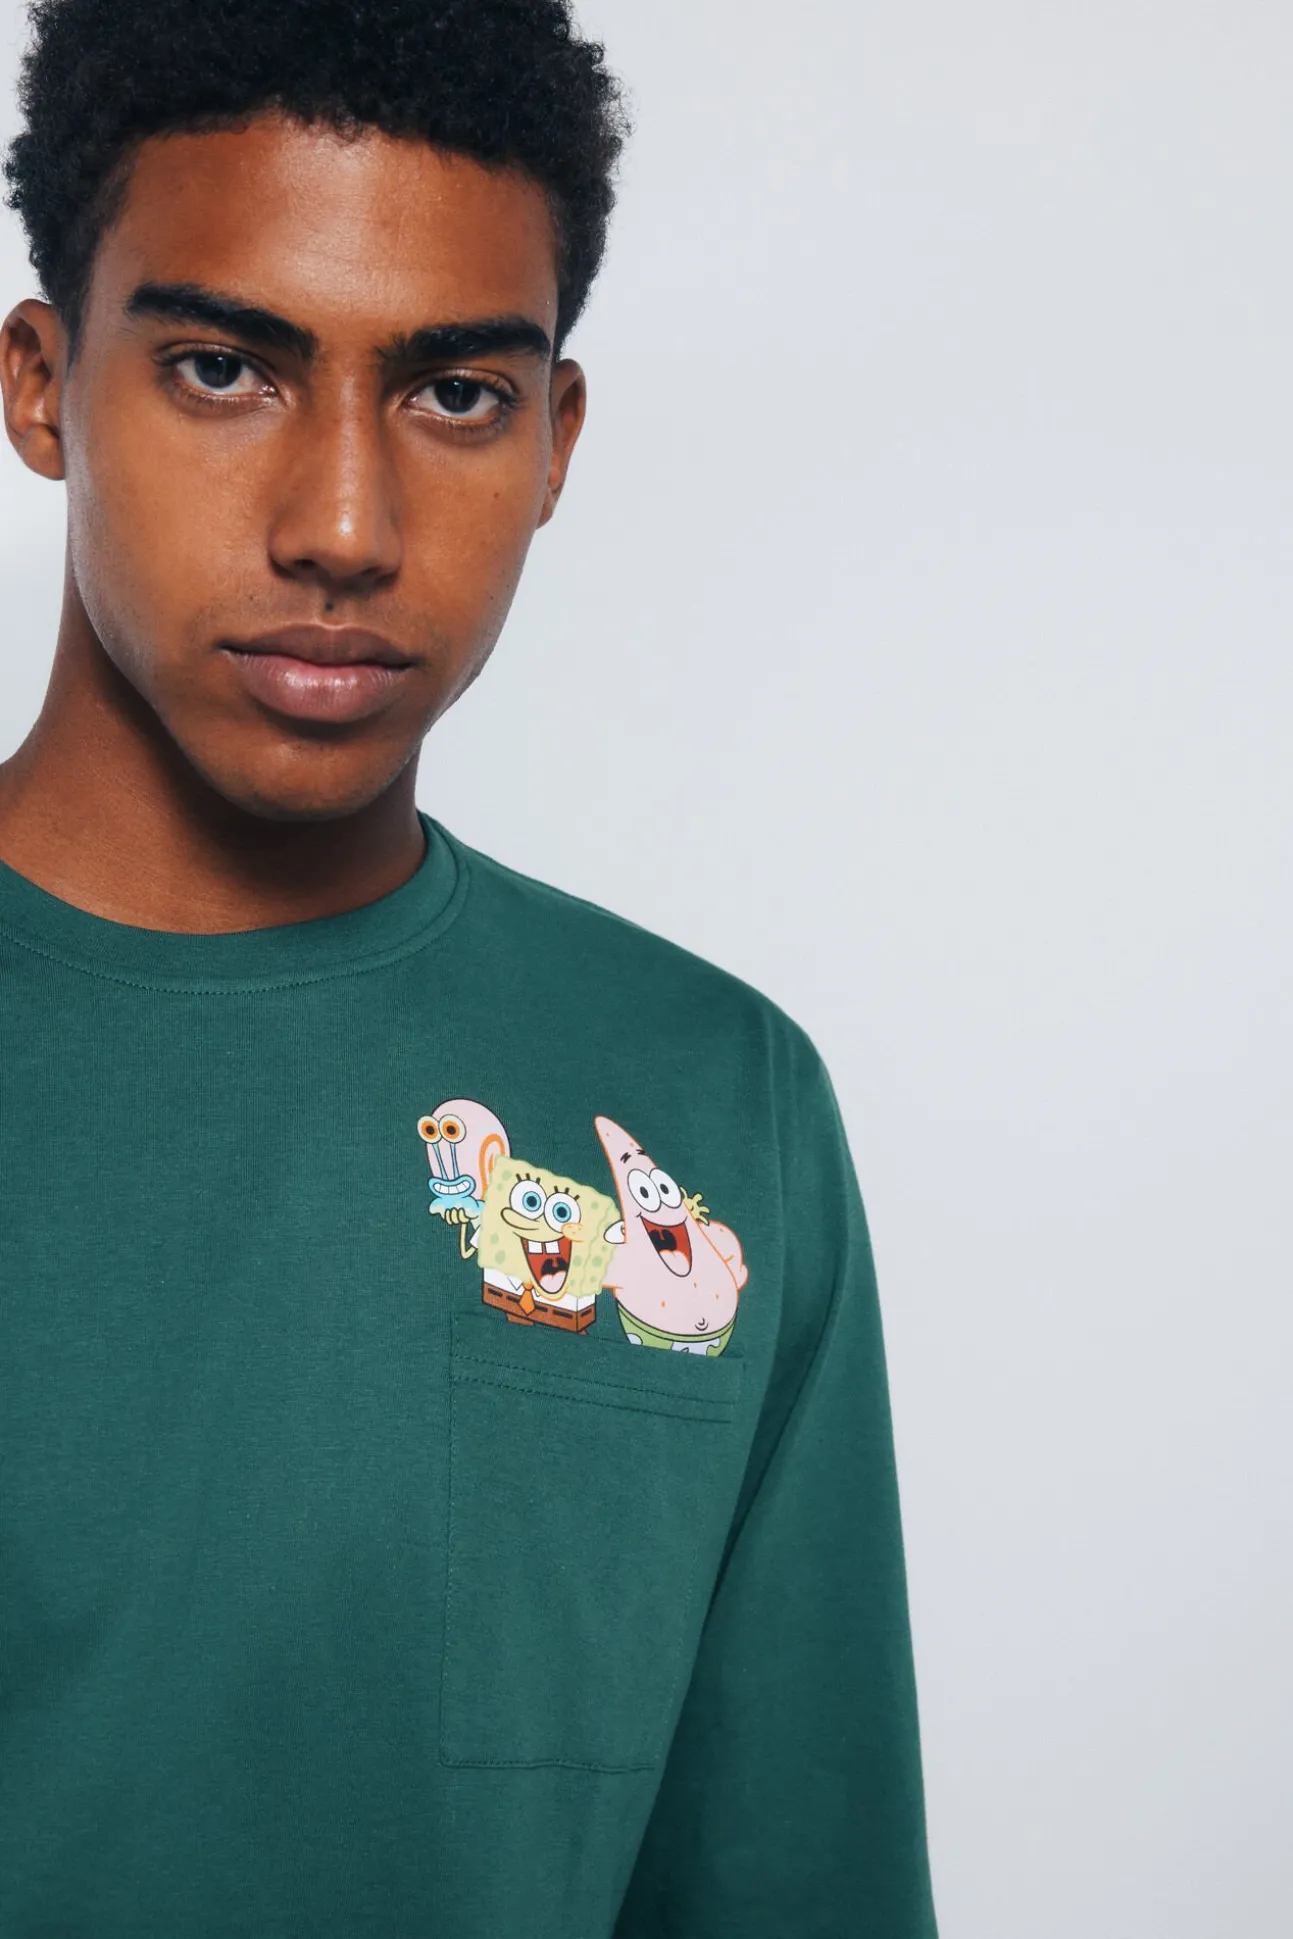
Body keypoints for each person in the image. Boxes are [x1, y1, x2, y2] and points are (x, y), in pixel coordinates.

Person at [0, 1, 939, 1932]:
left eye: (453, 395)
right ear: (41, 386)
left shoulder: (715, 1107)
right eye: (222, 368)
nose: (344, 527)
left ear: (556, 439)